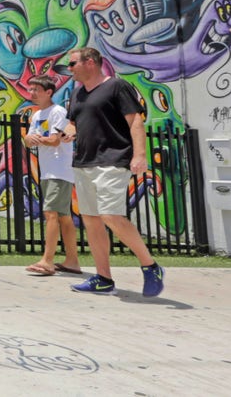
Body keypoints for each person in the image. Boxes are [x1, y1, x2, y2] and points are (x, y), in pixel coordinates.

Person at [61, 47, 165, 296]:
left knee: (110, 216)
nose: (70, 68)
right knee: (92, 220)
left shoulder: (117, 87)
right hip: (84, 162)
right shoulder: (77, 94)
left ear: (90, 63)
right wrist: (65, 133)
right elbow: (74, 123)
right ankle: (103, 279)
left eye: (73, 63)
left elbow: (135, 121)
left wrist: (140, 155)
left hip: (113, 160)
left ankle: (151, 266)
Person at [23, 75, 82, 277]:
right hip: (48, 171)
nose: (31, 93)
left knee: (51, 214)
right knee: (64, 217)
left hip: (59, 171)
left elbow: (56, 140)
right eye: (31, 89)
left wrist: (37, 139)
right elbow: (29, 141)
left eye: (36, 90)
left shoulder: (58, 112)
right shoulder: (38, 114)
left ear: (49, 92)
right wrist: (29, 139)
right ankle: (72, 261)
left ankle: (47, 261)